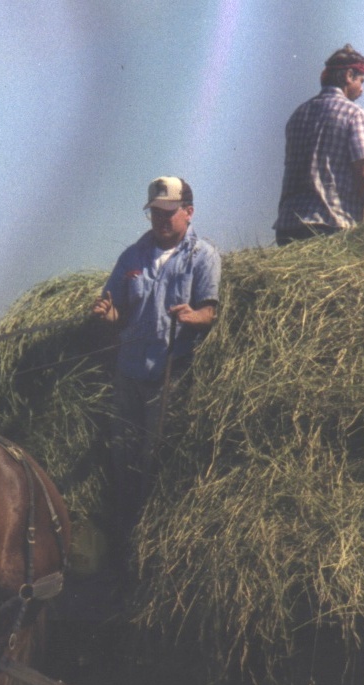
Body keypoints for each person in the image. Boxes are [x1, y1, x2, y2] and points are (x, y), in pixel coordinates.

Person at [90, 176, 220, 557]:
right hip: (129, 373)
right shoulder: (132, 257)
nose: (161, 220)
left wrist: (193, 317)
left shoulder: (203, 255)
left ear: (188, 212)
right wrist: (108, 314)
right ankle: (121, 539)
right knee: (122, 455)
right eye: (155, 213)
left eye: (169, 212)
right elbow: (118, 311)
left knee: (155, 458)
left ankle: (153, 544)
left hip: (169, 375)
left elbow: (210, 312)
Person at [273, 44, 364, 245]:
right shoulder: (353, 114)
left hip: (288, 227)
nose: (362, 89)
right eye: (361, 81)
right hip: (331, 224)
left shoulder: (298, 114)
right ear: (349, 76)